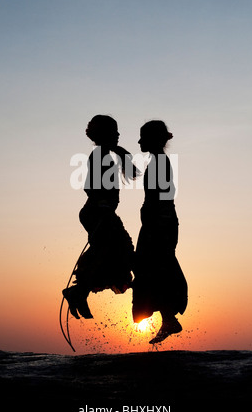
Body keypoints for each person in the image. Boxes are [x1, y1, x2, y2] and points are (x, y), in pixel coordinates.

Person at [63, 115, 138, 319]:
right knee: (114, 251)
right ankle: (78, 292)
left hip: (101, 212)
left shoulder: (105, 154)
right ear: (106, 134)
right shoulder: (100, 155)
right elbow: (89, 186)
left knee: (114, 252)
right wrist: (103, 204)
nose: (118, 135)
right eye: (115, 131)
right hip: (99, 212)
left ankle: (79, 292)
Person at [132, 120, 188, 344]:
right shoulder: (157, 162)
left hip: (159, 224)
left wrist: (156, 225)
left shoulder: (160, 163)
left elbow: (162, 198)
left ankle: (169, 318)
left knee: (154, 267)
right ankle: (168, 318)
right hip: (158, 223)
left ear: (154, 139)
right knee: (154, 268)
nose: (139, 141)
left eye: (142, 137)